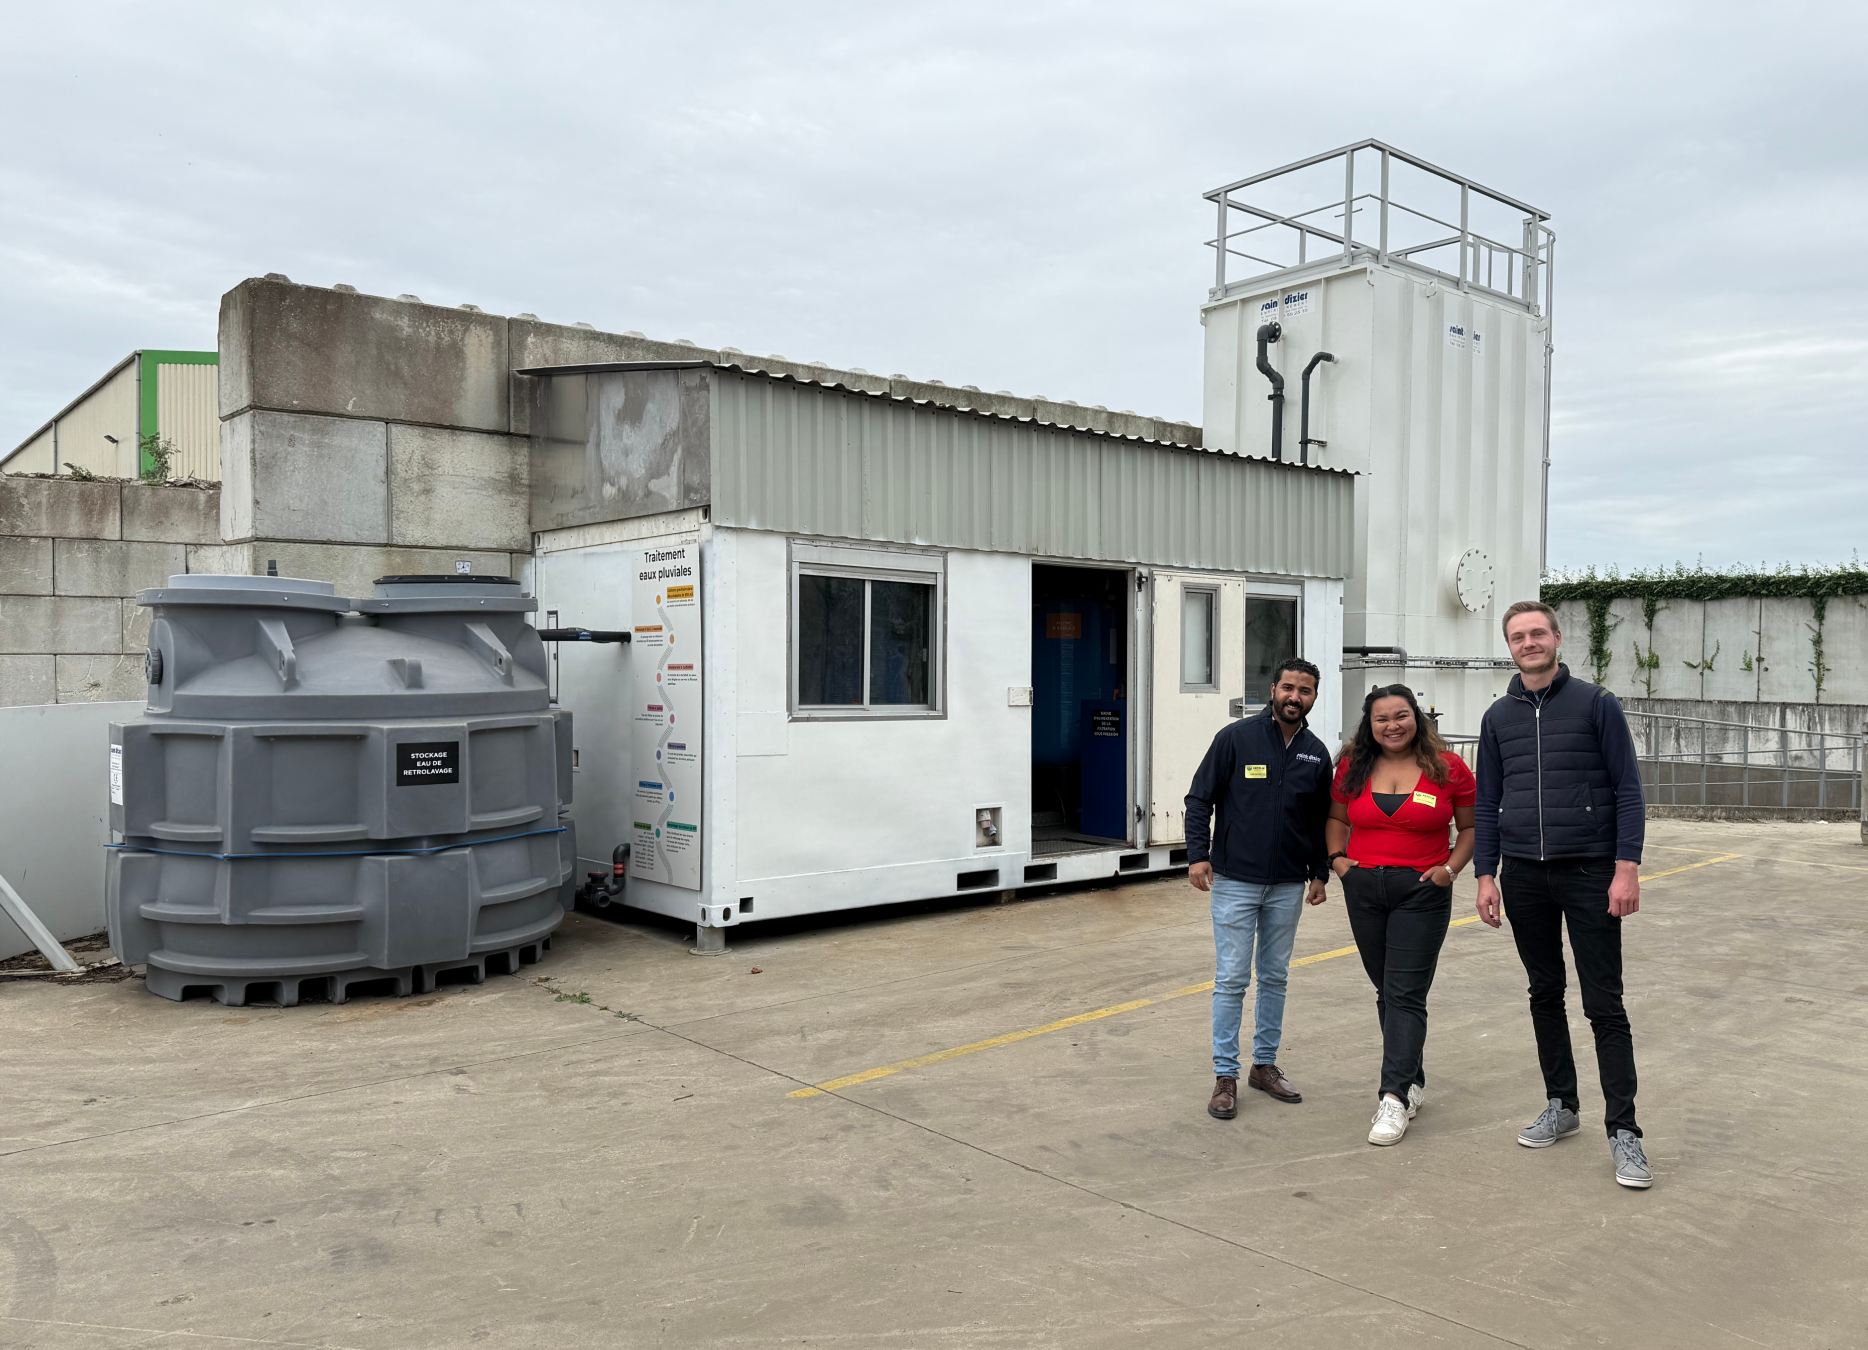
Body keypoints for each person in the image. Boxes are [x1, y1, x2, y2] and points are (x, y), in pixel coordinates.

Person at [1474, 600, 1652, 1189]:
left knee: (1604, 1003)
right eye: (1517, 637)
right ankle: (1562, 1104)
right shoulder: (1498, 717)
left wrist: (1626, 868)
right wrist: (1485, 874)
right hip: (1524, 875)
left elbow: (1627, 789)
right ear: (1509, 647)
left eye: (1537, 633)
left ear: (1556, 638)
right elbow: (1487, 801)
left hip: (1590, 872)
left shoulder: (1596, 704)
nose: (1528, 643)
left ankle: (1624, 1131)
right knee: (1544, 992)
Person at [1326, 685, 1476, 1146]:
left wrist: (1450, 870)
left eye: (1401, 715)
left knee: (1404, 993)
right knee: (1387, 990)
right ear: (1369, 724)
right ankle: (1411, 1080)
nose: (1392, 725)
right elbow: (1337, 819)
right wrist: (1338, 861)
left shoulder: (1448, 768)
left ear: (1417, 718)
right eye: (1382, 718)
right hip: (1364, 889)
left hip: (1422, 891)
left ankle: (1392, 1098)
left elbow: (1471, 828)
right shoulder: (1352, 766)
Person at [1185, 658, 1333, 1121]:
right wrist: (1198, 855)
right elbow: (1199, 798)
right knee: (1232, 978)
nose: (1295, 697)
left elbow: (1321, 820)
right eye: (1288, 688)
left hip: (1288, 883)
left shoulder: (1315, 753)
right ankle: (1225, 1075)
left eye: (1304, 691)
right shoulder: (1236, 738)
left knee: (1275, 976)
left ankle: (1264, 1065)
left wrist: (1320, 872)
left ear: (1314, 697)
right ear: (1272, 690)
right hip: (1234, 881)